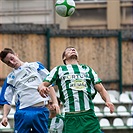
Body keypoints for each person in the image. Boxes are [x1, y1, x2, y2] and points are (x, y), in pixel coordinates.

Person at [37, 46, 115, 133]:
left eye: (74, 49)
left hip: (88, 115)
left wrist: (108, 101)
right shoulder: (59, 69)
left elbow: (101, 89)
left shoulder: (87, 69)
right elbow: (42, 84)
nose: (73, 50)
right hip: (71, 117)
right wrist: (42, 88)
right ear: (64, 57)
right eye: (69, 50)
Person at [0, 48, 59, 133]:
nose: (12, 62)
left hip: (40, 110)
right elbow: (7, 100)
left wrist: (55, 102)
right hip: (23, 112)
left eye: (12, 59)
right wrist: (5, 116)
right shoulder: (10, 78)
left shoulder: (36, 66)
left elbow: (50, 84)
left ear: (16, 54)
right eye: (8, 62)